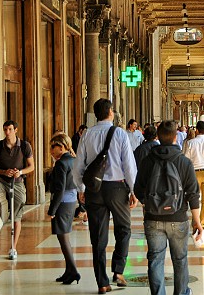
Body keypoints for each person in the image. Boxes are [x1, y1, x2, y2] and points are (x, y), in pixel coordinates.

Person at [73, 99, 138, 294]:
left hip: (94, 190)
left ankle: (102, 282)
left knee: (98, 237)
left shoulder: (87, 135)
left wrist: (81, 188)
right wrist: (134, 190)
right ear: (110, 112)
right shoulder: (119, 133)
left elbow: (79, 166)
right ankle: (118, 270)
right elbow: (128, 164)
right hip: (117, 188)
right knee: (124, 229)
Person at [134, 120, 202, 295]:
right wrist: (197, 222)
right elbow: (193, 194)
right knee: (180, 260)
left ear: (158, 137)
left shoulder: (148, 161)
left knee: (155, 260)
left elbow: (138, 189)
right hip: (178, 218)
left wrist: (149, 204)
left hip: (153, 219)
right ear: (175, 138)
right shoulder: (184, 162)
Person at [0, 120, 34, 260]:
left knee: (17, 217)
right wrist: (3, 171)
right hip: (1, 180)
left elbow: (31, 166)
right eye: (5, 129)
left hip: (17, 182)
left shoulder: (24, 146)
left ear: (15, 130)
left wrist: (21, 172)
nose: (7, 132)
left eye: (10, 129)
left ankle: (13, 247)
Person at [48, 132, 80, 284]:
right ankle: (69, 270)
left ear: (60, 147)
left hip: (63, 203)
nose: (51, 151)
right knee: (64, 237)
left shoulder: (61, 163)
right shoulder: (72, 160)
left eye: (52, 147)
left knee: (63, 238)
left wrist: (52, 210)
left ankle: (73, 271)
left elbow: (59, 189)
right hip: (71, 201)